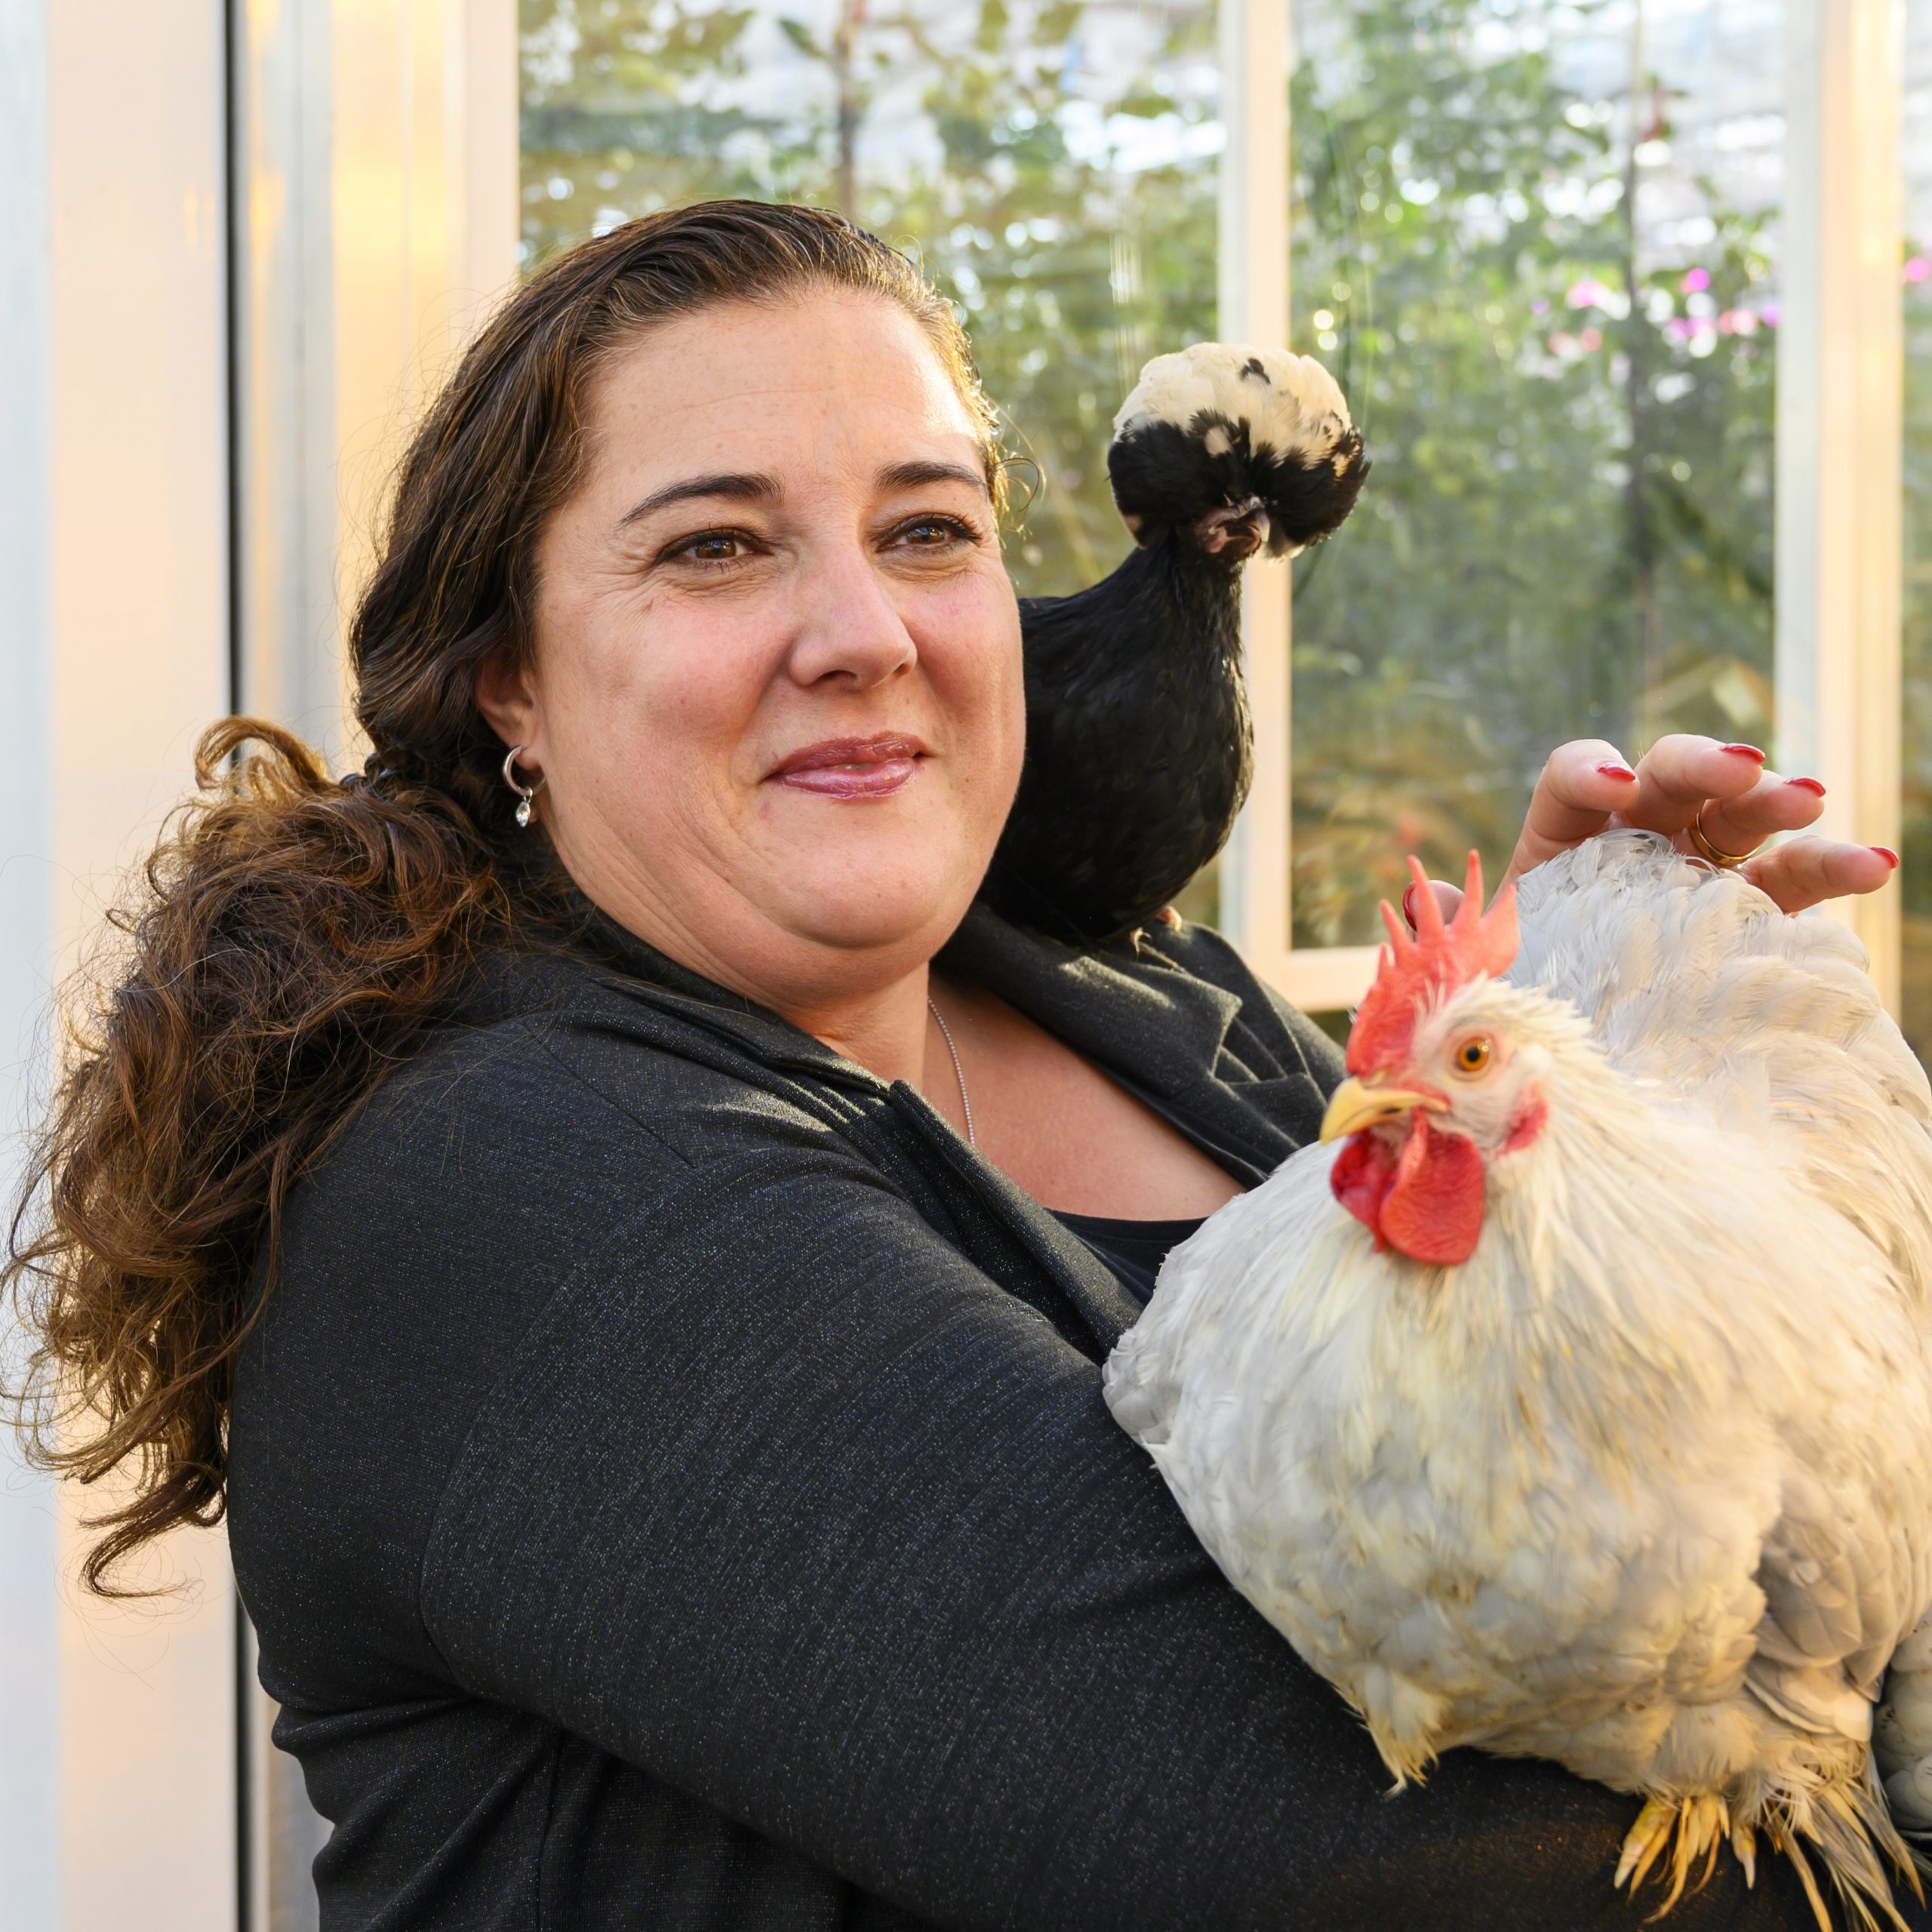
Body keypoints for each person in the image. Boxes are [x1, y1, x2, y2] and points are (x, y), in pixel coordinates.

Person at [8, 201, 1910, 1930]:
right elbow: (1359, 1866)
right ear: (509, 675)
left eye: (928, 530)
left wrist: (1631, 1139)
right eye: (717, 546)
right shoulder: (500, 1192)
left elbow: (1555, 1549)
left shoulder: (1155, 999)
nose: (863, 632)